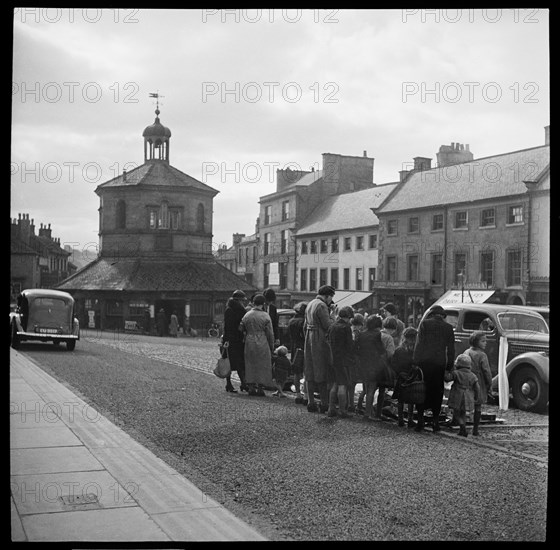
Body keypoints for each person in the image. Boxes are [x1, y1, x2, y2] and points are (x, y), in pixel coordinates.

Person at [412, 304, 455, 432]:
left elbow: (419, 344)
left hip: (425, 363)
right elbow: (451, 349)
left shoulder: (425, 324)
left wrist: (415, 361)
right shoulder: (448, 327)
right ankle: (435, 422)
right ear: (443, 316)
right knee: (437, 391)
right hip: (439, 363)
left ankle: (420, 420)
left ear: (432, 314)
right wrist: (449, 366)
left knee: (422, 389)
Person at [303, 285, 336, 413]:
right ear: (327, 296)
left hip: (309, 338)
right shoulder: (322, 306)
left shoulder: (310, 303)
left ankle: (311, 402)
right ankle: (324, 403)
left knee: (309, 371)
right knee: (321, 370)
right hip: (319, 340)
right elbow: (328, 326)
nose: (330, 301)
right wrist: (333, 314)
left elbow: (305, 326)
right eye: (331, 297)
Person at [355, 314, 394, 421]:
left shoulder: (362, 334)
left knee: (366, 389)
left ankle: (363, 410)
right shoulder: (377, 334)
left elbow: (357, 350)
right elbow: (381, 351)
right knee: (371, 390)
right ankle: (368, 414)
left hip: (363, 364)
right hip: (374, 366)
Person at [240, 294, 275, 396]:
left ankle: (251, 387)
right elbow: (270, 333)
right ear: (263, 304)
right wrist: (271, 345)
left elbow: (241, 328)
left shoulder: (247, 315)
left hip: (249, 340)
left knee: (250, 363)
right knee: (262, 364)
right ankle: (260, 387)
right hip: (262, 340)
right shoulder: (265, 315)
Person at [326, 306, 355, 418]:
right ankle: (343, 411)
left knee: (334, 384)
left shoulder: (332, 325)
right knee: (342, 384)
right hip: (342, 359)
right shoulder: (346, 327)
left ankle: (331, 408)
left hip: (331, 359)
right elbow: (349, 345)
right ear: (348, 317)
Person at [463, 331, 493, 436]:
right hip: (478, 382)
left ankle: (463, 427)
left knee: (465, 404)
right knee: (478, 406)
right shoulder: (482, 355)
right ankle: (475, 429)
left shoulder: (466, 352)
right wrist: (489, 384)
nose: (485, 343)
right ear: (476, 342)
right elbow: (487, 371)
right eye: (483, 341)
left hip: (467, 381)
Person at [445, 354, 481, 437]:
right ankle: (462, 429)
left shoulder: (456, 373)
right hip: (468, 396)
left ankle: (462, 427)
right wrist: (476, 396)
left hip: (457, 395)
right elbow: (477, 387)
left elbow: (447, 379)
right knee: (463, 413)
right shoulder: (472, 375)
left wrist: (446, 371)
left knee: (456, 414)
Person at [222, 290, 249, 393]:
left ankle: (238, 383)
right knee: (234, 362)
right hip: (234, 339)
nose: (243, 302)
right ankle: (234, 384)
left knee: (235, 362)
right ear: (238, 300)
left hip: (233, 339)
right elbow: (230, 327)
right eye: (242, 300)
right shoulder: (236, 311)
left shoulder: (231, 309)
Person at [391, 327, 418, 428]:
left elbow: (393, 363)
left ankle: (400, 419)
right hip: (411, 377)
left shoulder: (399, 350)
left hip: (401, 377)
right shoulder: (415, 351)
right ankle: (410, 419)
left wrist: (399, 373)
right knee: (411, 399)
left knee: (401, 399)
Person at [288, 302, 308, 405]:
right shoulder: (304, 322)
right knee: (306, 372)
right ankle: (305, 395)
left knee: (296, 372)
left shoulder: (291, 321)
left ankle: (298, 394)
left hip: (294, 347)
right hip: (303, 347)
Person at [349, 313, 365, 413]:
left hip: (349, 360)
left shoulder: (349, 331)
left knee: (350, 384)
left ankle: (350, 404)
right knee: (353, 383)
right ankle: (353, 405)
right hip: (357, 361)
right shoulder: (359, 334)